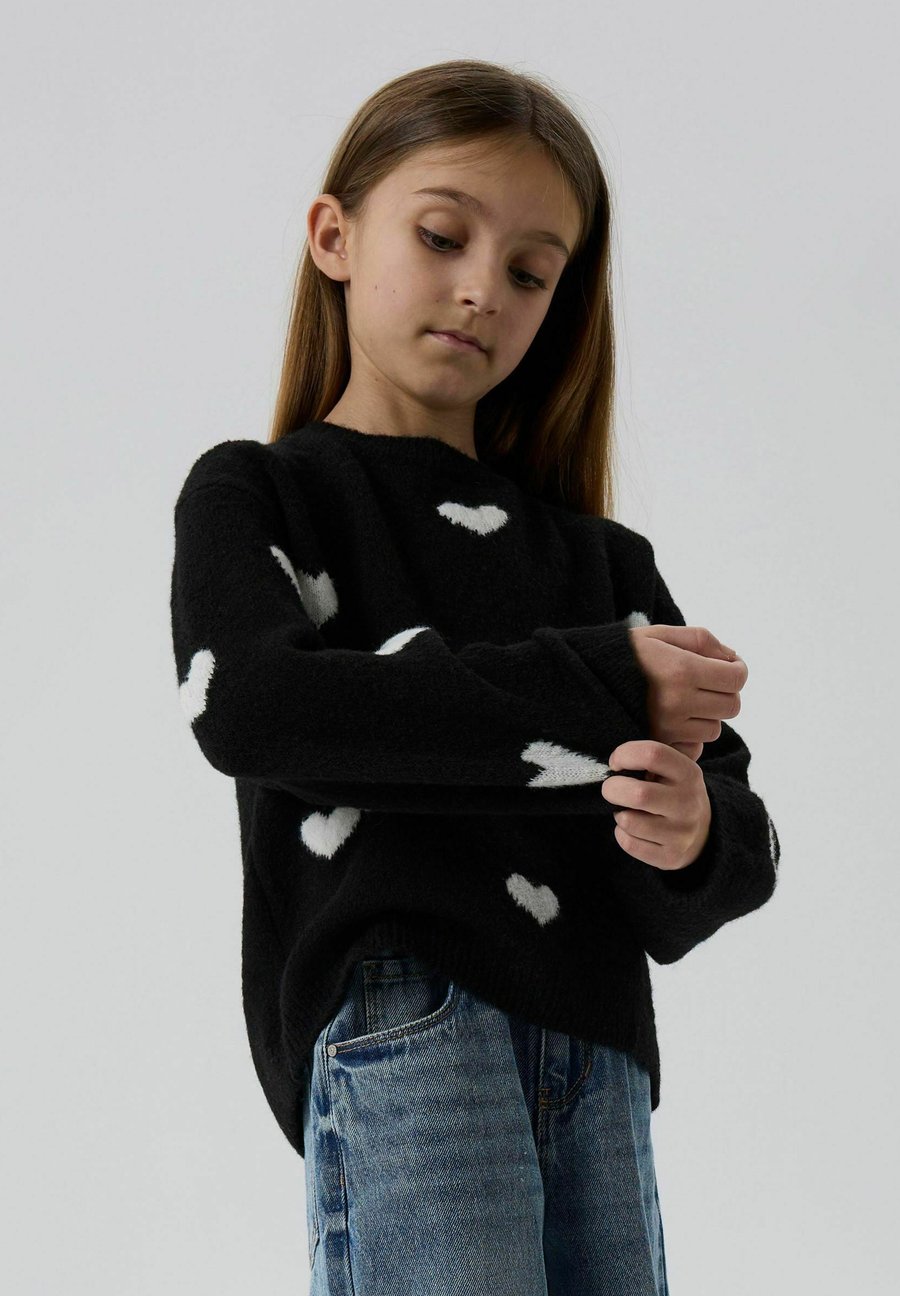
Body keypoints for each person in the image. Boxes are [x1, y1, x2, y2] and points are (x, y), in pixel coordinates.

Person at [169, 58, 780, 1296]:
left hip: (600, 1043)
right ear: (335, 237)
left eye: (530, 272)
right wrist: (603, 689)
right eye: (443, 235)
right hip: (410, 1010)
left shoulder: (604, 563)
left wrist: (688, 832)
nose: (481, 290)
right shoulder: (262, 494)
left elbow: (735, 845)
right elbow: (256, 710)